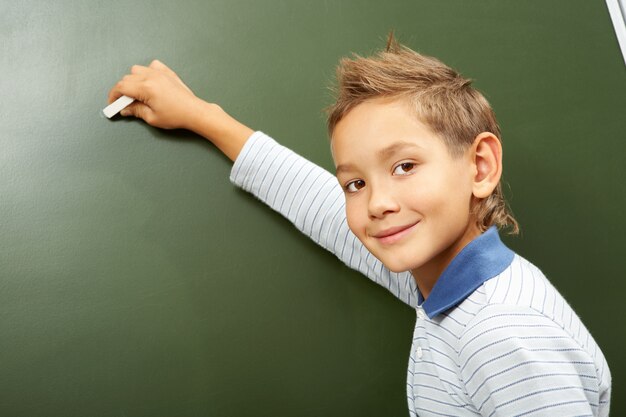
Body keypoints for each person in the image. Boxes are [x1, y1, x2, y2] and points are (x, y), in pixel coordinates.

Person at [107, 37, 611, 416]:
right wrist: (201, 116)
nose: (376, 204)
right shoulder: (445, 283)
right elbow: (323, 208)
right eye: (355, 184)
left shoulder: (501, 335)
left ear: (479, 167)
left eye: (404, 166)